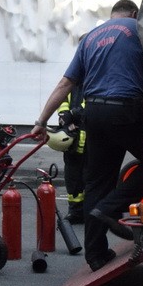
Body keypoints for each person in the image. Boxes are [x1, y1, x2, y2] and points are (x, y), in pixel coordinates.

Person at [30, 0, 143, 272]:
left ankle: (95, 255)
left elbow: (65, 83)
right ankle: (111, 207)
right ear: (133, 13)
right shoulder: (138, 29)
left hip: (94, 112)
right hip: (127, 108)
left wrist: (40, 122)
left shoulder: (91, 37)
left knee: (96, 182)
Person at [57, 89, 86, 224]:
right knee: (72, 177)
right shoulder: (71, 82)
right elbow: (62, 99)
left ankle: (91, 211)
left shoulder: (93, 79)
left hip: (90, 139)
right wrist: (64, 115)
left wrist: (73, 114)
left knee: (90, 176)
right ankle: (75, 211)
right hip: (72, 139)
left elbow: (91, 106)